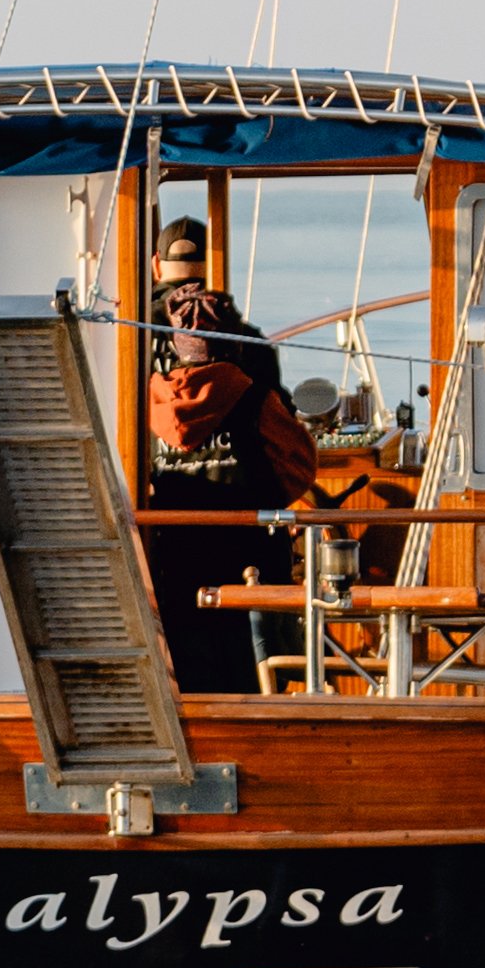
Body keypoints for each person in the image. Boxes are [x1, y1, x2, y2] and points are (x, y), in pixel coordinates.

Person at [135, 217, 314, 693]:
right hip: (245, 535)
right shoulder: (245, 340)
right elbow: (286, 444)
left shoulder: (128, 340)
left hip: (165, 538)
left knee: (178, 670)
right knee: (252, 668)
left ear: (156, 264)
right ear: (212, 265)